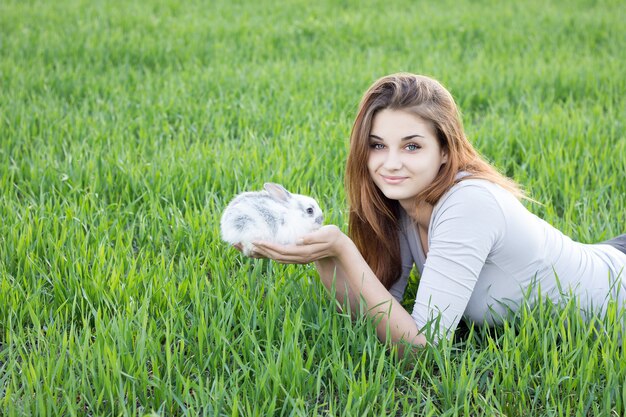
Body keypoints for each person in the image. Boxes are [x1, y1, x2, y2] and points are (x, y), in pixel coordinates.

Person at [243, 73, 626, 352]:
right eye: (378, 146)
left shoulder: (468, 204)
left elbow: (422, 351)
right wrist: (325, 255)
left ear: (445, 150)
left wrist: (344, 249)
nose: (390, 164)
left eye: (411, 146)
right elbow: (371, 317)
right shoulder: (401, 204)